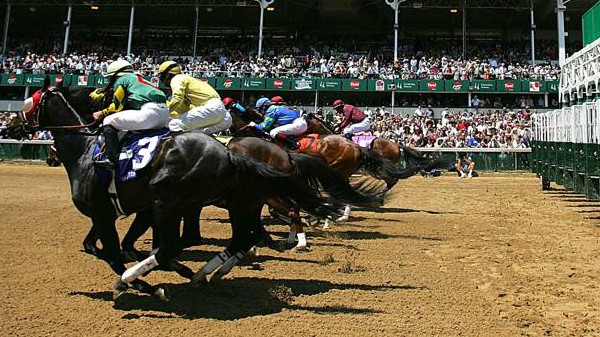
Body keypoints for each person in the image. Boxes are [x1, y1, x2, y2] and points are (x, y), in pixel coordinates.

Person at [92, 59, 170, 170]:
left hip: (149, 113)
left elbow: (117, 106)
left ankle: (111, 159)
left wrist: (102, 113)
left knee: (108, 121)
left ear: (115, 75)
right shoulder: (139, 78)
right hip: (164, 114)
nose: (110, 80)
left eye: (110, 77)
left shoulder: (121, 80)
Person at [156, 60, 231, 135]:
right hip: (223, 116)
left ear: (167, 75)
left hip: (211, 108)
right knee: (195, 133)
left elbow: (177, 99)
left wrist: (163, 112)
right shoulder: (188, 79)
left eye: (162, 76)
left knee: (174, 124)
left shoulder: (176, 79)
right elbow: (185, 109)